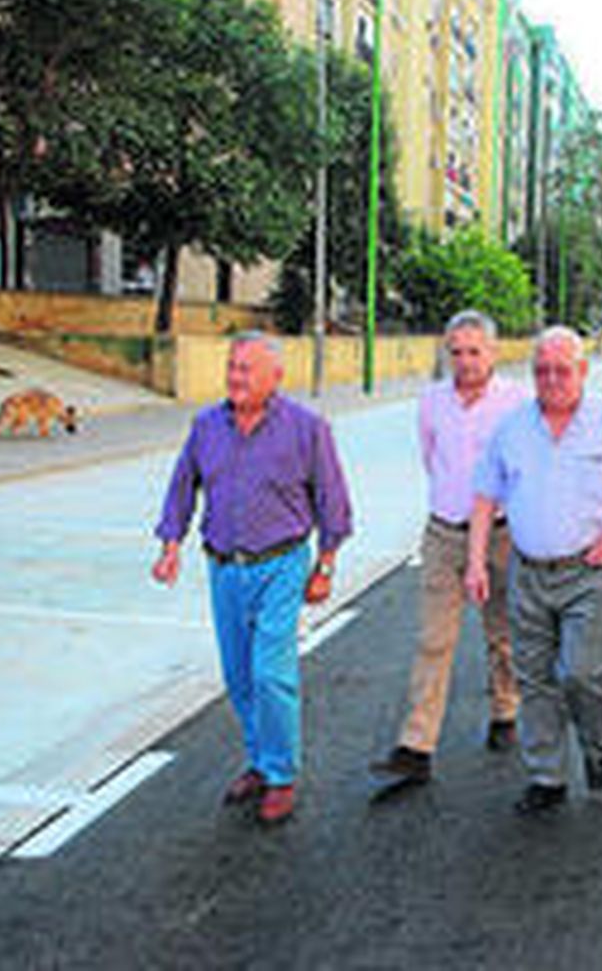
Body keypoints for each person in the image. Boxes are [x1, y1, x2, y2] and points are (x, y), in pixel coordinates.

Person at [152, 333, 353, 825]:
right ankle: (260, 763)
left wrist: (324, 566)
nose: (236, 377)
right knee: (239, 676)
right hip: (224, 567)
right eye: (233, 367)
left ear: (275, 378)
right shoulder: (206, 426)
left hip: (282, 564)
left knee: (270, 672)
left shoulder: (307, 428)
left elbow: (333, 500)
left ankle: (282, 775)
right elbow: (183, 485)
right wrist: (170, 544)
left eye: (247, 369)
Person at [465, 327, 602, 814]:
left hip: (588, 574)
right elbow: (485, 496)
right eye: (542, 370)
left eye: (562, 370)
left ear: (583, 371)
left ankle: (596, 747)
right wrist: (476, 562)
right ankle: (546, 775)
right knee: (533, 677)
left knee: (581, 673)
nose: (551, 379)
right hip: (527, 572)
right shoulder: (512, 428)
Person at [370, 311, 525, 785]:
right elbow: (430, 456)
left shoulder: (518, 402)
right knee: (433, 640)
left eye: (474, 351)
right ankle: (416, 747)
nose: (464, 361)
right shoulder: (432, 401)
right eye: (455, 351)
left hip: (502, 535)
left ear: (493, 353)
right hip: (443, 535)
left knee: (503, 634)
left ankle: (505, 708)